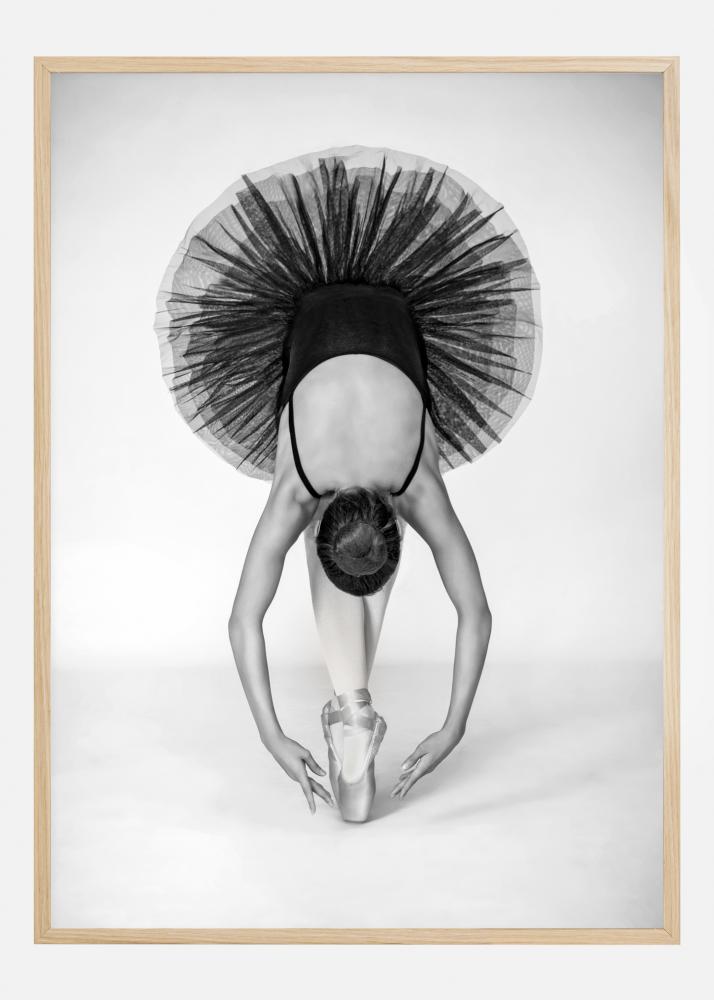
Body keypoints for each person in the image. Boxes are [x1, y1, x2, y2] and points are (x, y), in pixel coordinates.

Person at [154, 146, 541, 822]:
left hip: (343, 317)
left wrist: (272, 736)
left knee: (341, 563)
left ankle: (352, 705)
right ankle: (351, 707)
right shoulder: (406, 484)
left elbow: (243, 620)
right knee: (354, 569)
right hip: (369, 304)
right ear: (396, 519)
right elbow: (475, 612)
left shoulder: (316, 489)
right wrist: (452, 726)